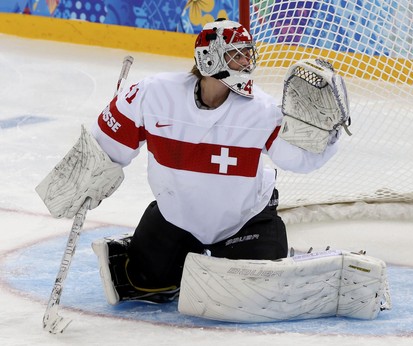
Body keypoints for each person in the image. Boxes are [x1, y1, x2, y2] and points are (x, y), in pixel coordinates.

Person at [90, 18, 340, 305]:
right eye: (236, 54)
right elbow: (107, 148)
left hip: (245, 223)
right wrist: (91, 172)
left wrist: (325, 133)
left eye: (248, 52)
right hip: (178, 217)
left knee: (254, 295)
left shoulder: (262, 110)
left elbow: (298, 160)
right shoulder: (155, 94)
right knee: (144, 283)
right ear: (209, 59)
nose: (247, 61)